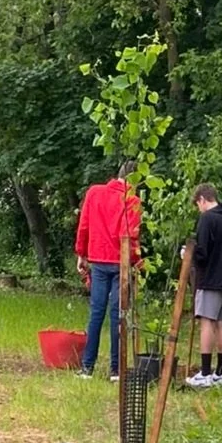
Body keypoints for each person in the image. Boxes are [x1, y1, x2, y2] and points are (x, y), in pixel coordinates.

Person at [74, 160, 141, 381]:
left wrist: (81, 254)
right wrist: (136, 262)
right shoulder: (132, 200)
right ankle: (116, 369)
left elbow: (84, 225)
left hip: (98, 259)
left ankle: (87, 367)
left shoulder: (94, 193)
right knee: (117, 315)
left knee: (96, 313)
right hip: (119, 262)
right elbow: (131, 236)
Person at [187, 184, 222, 388]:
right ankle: (221, 372)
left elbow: (202, 251)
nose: (199, 209)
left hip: (210, 278)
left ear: (202, 199)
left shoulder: (207, 219)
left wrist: (188, 254)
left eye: (197, 205)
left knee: (207, 322)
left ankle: (204, 373)